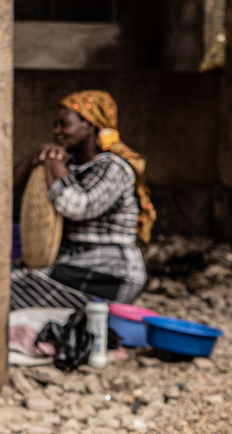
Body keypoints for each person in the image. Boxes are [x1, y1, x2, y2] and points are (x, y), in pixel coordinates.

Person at [10, 91, 156, 309]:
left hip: (112, 270)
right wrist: (37, 155)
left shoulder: (114, 168)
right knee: (2, 280)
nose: (56, 131)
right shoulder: (70, 164)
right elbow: (11, 184)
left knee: (9, 292)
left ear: (90, 126)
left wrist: (54, 165)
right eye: (54, 125)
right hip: (75, 263)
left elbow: (77, 207)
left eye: (64, 124)